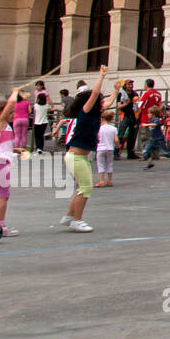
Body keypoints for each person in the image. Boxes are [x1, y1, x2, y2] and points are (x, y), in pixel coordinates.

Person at [60, 65, 116, 234]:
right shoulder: (85, 111)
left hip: (80, 157)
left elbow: (109, 102)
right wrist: (101, 76)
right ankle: (77, 220)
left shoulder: (94, 113)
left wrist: (116, 89)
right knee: (86, 188)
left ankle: (69, 216)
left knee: (82, 188)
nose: (101, 102)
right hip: (76, 157)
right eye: (99, 100)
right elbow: (93, 95)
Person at [0, 88, 29, 237]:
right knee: (3, 196)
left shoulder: (0, 127)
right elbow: (9, 105)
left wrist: (15, 150)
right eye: (11, 112)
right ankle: (0, 226)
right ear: (1, 114)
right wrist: (14, 93)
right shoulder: (0, 123)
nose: (13, 114)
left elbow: (1, 145)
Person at [95, 112, 118, 188]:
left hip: (101, 148)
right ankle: (109, 180)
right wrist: (118, 146)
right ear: (111, 119)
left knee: (100, 164)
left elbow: (96, 138)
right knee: (109, 164)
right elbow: (116, 140)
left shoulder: (99, 128)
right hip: (110, 148)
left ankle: (101, 181)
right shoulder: (113, 128)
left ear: (102, 119)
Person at [31, 82, 49, 153]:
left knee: (37, 136)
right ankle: (41, 148)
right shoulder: (46, 106)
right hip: (44, 122)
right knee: (41, 136)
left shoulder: (36, 106)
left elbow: (35, 106)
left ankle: (38, 148)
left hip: (37, 122)